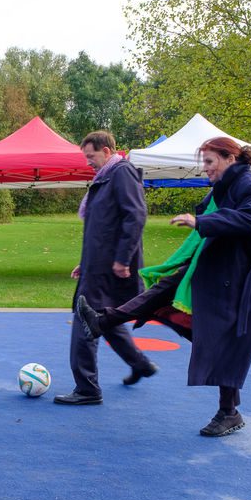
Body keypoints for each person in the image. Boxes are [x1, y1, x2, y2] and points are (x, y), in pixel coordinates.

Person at [75, 137, 251, 436]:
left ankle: (229, 412)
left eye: (210, 162)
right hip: (221, 269)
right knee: (166, 289)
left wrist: (200, 222)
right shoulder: (226, 189)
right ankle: (102, 320)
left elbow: (249, 221)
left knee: (227, 345)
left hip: (246, 283)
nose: (206, 169)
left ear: (229, 159)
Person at [54, 131, 158, 406]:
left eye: (92, 156)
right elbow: (103, 228)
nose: (88, 162)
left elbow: (135, 216)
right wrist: (86, 262)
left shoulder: (121, 174)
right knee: (105, 321)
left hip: (111, 268)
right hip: (99, 266)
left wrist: (123, 259)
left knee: (85, 320)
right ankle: (140, 364)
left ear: (108, 151)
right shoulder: (107, 177)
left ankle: (87, 388)